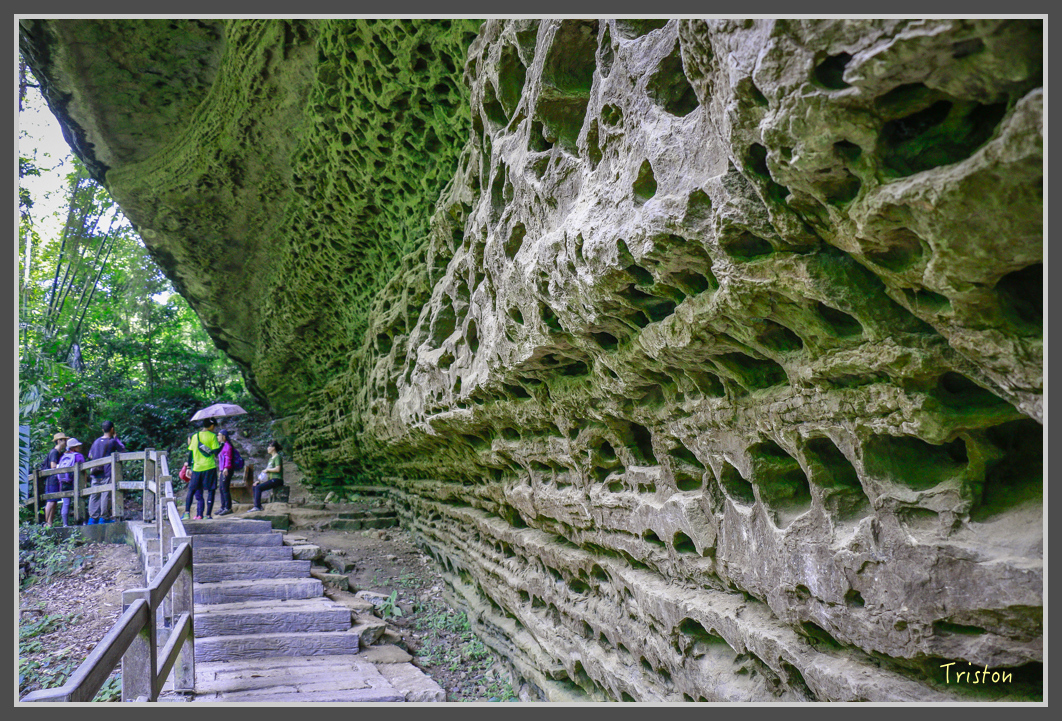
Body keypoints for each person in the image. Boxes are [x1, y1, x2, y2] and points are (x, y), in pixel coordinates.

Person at [87, 421, 126, 524]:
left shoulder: (95, 442)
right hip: (107, 471)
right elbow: (122, 450)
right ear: (112, 429)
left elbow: (90, 455)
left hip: (95, 471)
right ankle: (104, 518)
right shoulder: (112, 442)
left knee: (94, 495)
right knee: (105, 494)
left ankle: (92, 518)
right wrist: (116, 438)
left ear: (102, 430)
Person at [185, 418, 221, 520]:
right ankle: (208, 515)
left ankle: (187, 513)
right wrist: (221, 444)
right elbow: (216, 453)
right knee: (211, 490)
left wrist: (188, 467)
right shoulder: (213, 436)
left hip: (196, 468)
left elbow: (191, 452)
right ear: (211, 426)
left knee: (192, 490)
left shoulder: (195, 436)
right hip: (209, 467)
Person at [56, 438, 86, 527]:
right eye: (77, 446)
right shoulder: (79, 456)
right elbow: (83, 471)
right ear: (74, 447)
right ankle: (80, 522)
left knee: (66, 503)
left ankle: (65, 524)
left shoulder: (63, 457)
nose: (79, 447)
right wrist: (84, 482)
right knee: (79, 501)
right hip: (76, 482)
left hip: (64, 482)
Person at [42, 432, 68, 526]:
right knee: (51, 501)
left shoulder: (59, 452)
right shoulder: (54, 452)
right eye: (64, 440)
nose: (65, 442)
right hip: (52, 479)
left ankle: (50, 523)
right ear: (58, 441)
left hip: (56, 479)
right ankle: (47, 522)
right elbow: (53, 466)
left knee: (54, 502)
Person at [252, 440, 284, 512]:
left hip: (277, 479)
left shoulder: (277, 457)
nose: (267, 448)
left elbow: (277, 469)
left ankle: (257, 507)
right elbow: (267, 473)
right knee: (255, 486)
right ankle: (258, 505)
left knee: (258, 488)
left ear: (273, 448)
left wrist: (268, 470)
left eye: (269, 446)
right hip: (271, 479)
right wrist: (259, 481)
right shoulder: (270, 459)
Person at [215, 429, 235, 516]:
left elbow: (227, 458)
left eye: (219, 435)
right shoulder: (223, 445)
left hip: (227, 470)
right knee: (221, 488)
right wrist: (221, 470)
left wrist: (226, 468)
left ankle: (228, 507)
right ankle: (223, 506)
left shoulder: (227, 446)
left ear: (224, 436)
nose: (217, 437)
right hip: (223, 470)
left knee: (225, 488)